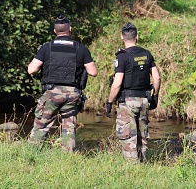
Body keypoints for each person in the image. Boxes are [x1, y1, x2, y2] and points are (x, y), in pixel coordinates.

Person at [28, 14, 98, 152]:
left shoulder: (46, 48)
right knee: (69, 128)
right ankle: (68, 156)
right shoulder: (81, 48)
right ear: (70, 29)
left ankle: (31, 154)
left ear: (55, 31)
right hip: (72, 94)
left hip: (52, 92)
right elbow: (93, 72)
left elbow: (31, 70)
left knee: (41, 125)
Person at [106, 23, 161, 163]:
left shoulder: (122, 57)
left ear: (122, 37)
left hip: (128, 102)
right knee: (142, 135)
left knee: (128, 135)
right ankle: (142, 162)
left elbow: (117, 82)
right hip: (144, 100)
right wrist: (155, 96)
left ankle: (133, 168)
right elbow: (157, 77)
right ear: (137, 37)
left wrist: (109, 101)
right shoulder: (146, 54)